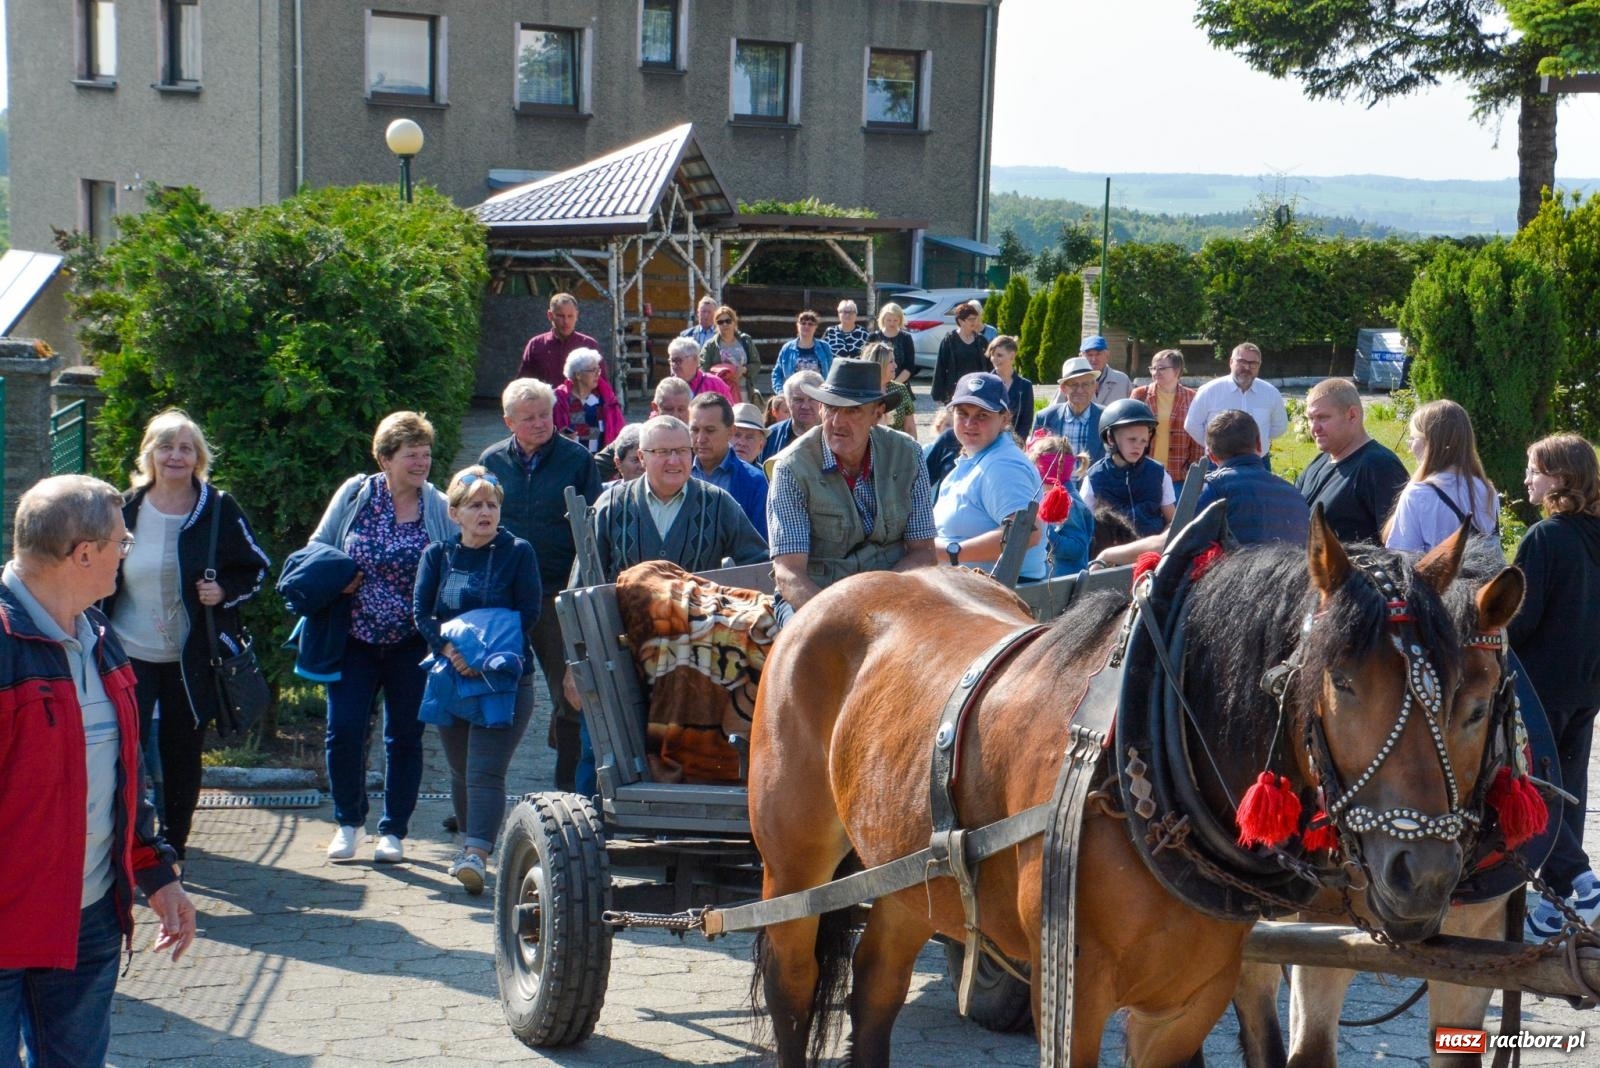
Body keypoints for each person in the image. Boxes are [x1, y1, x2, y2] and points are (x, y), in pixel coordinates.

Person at [1, 475, 197, 1067]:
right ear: (83, 553)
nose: (125, 552)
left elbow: (125, 773)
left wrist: (155, 871)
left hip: (88, 920)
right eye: (121, 541)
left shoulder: (104, 639)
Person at [103, 410, 271, 862]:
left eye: (185, 447)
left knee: (181, 754)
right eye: (165, 446)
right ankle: (127, 843)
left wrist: (224, 591)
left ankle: (172, 849)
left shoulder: (217, 508)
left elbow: (256, 567)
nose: (175, 456)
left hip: (191, 657)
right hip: (127, 653)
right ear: (150, 453)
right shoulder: (125, 507)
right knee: (122, 751)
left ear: (198, 457)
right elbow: (99, 569)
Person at [310, 412, 457, 864]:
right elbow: (318, 547)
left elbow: (455, 561)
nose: (422, 463)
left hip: (412, 642)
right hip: (354, 637)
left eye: (426, 454)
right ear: (384, 458)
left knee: (405, 737)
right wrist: (339, 577)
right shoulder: (356, 495)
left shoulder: (435, 503)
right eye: (411, 455)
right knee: (345, 731)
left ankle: (393, 830)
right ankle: (349, 822)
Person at [412, 467, 542, 894]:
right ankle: (471, 844)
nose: (485, 513)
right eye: (475, 505)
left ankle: (476, 853)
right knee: (459, 769)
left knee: (485, 771)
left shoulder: (518, 551)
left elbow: (529, 613)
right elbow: (422, 613)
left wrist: (483, 659)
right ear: (454, 513)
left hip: (503, 681)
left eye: (492, 505)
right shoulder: (438, 555)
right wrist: (450, 651)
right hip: (451, 677)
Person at [479, 379, 601, 792]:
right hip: (503, 596)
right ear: (509, 421)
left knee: (571, 694)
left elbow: (592, 534)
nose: (538, 424)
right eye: (528, 418)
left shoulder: (576, 461)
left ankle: (569, 794)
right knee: (486, 695)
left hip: (557, 594)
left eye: (545, 415)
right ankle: (476, 796)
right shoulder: (490, 462)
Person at [767, 360, 937, 625]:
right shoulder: (791, 467)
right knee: (810, 656)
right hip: (816, 598)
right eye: (831, 408)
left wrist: (879, 600)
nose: (838, 422)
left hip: (890, 594)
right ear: (820, 408)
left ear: (877, 413)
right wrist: (842, 622)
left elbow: (924, 552)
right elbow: (789, 573)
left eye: (853, 411)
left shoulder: (908, 454)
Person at [1512, 435, 1600, 937]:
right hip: (1587, 685)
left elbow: (1520, 620)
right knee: (1568, 788)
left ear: (1562, 479)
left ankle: (1580, 882)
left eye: (1535, 470)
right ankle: (1561, 899)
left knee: (1534, 786)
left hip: (1541, 683)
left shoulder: (1547, 537)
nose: (1527, 479)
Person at [591, 416, 767, 582]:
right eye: (663, 452)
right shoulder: (611, 505)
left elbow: (760, 565)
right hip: (624, 615)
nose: (674, 461)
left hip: (702, 614)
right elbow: (585, 580)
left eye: (683, 451)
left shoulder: (718, 502)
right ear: (642, 457)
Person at [933, 373, 1048, 581]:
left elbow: (1027, 532)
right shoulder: (982, 457)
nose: (970, 423)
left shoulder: (1003, 465)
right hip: (970, 590)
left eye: (982, 415)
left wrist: (952, 552)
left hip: (997, 597)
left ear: (1004, 419)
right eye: (962, 413)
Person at [1295, 377, 1409, 544]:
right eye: (1311, 418)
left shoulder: (1380, 467)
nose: (1314, 428)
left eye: (1323, 418)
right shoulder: (1320, 462)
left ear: (1352, 415)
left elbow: (1399, 543)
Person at [1382, 399, 1499, 552]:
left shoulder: (1419, 494)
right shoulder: (1485, 489)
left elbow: (1403, 557)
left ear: (1431, 443)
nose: (1410, 447)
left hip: (1441, 576)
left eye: (1413, 438)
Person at [1196, 409, 1310, 546]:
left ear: (1211, 456)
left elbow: (1184, 544)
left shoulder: (1211, 489)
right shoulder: (1295, 495)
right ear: (1259, 445)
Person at [1080, 398, 1175, 537]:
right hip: (1110, 553)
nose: (1138, 446)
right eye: (1132, 439)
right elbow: (1084, 523)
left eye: (1143, 441)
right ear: (1111, 438)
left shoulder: (1158, 473)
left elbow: (1173, 520)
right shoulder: (1094, 477)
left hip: (1152, 552)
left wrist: (1159, 542)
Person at [1182, 342, 1289, 462]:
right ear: (1231, 362)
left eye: (1253, 363)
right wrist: (1215, 446)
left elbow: (1279, 427)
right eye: (1242, 362)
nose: (1247, 367)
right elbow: (1192, 425)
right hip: (1218, 463)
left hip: (1258, 463)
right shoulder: (1210, 391)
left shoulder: (1270, 393)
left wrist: (1261, 439)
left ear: (1259, 366)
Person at [690, 393, 769, 539]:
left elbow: (759, 548)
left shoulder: (756, 482)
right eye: (694, 430)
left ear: (730, 432)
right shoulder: (676, 474)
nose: (700, 439)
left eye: (710, 430)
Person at [1131, 348, 1204, 488]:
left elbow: (1197, 439)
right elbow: (1129, 431)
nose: (1155, 372)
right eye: (1153, 368)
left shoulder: (1192, 397)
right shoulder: (1140, 395)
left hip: (1178, 477)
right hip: (1144, 473)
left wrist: (1191, 470)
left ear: (1177, 371)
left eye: (1161, 368)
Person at [1028, 436, 1095, 575]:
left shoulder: (1070, 503)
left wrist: (1045, 534)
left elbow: (1078, 548)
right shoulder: (1048, 497)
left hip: (1064, 583)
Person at [517, 292, 603, 388]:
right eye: (560, 316)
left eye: (570, 316)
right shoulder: (536, 345)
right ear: (550, 315)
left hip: (580, 402)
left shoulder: (589, 345)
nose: (566, 321)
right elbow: (523, 384)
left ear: (577, 316)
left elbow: (603, 384)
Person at [552, 347, 626, 455]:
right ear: (578, 375)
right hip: (569, 462)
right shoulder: (559, 400)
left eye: (598, 370)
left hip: (600, 463)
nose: (598, 374)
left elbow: (620, 432)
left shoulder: (605, 400)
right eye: (593, 370)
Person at [1035, 356, 1105, 467]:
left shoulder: (1105, 418)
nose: (1080, 390)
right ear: (1063, 388)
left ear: (1095, 387)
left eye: (1085, 384)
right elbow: (1035, 459)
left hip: (1093, 483)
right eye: (1074, 384)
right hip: (1054, 483)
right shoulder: (1045, 418)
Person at [699, 305, 761, 404]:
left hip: (745, 391)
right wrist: (721, 374)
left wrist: (744, 369)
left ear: (734, 321)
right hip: (721, 393)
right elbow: (703, 370)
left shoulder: (745, 340)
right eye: (720, 322)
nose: (724, 324)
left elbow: (756, 364)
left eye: (728, 321)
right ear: (716, 325)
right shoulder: (710, 345)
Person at [931, 301, 988, 404]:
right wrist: (938, 395)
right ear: (961, 321)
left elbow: (989, 367)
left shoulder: (981, 340)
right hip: (955, 390)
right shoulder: (949, 340)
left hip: (977, 389)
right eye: (971, 319)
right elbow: (940, 367)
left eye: (976, 318)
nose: (975, 322)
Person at [760, 371, 824, 462]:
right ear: (787, 402)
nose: (805, 406)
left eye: (812, 399)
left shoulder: (835, 436)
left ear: (822, 401)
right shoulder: (771, 436)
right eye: (798, 400)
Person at [770, 310, 834, 396]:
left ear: (816, 327)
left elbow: (831, 372)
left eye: (810, 324)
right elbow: (777, 373)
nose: (806, 326)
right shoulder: (787, 349)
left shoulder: (824, 347)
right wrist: (781, 393)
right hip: (795, 395)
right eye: (803, 323)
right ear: (797, 325)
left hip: (819, 395)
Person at [987, 334, 1034, 439]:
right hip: (988, 442)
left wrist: (1017, 443)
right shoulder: (985, 382)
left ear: (1012, 356)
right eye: (992, 355)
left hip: (1014, 444)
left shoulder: (1025, 386)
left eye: (999, 355)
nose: (994, 359)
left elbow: (1026, 420)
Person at [865, 340, 917, 435]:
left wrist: (912, 449)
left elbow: (910, 429)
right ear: (880, 364)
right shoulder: (861, 390)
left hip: (897, 446)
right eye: (891, 362)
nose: (896, 366)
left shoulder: (900, 389)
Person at [668, 336, 734, 403]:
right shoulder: (667, 387)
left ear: (695, 360)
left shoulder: (715, 384)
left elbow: (730, 411)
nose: (674, 365)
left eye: (678, 360)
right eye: (672, 360)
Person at [869, 302, 918, 387]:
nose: (892, 323)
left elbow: (910, 366)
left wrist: (894, 384)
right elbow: (868, 363)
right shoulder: (873, 337)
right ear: (883, 319)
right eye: (889, 320)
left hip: (900, 384)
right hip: (876, 386)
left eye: (895, 320)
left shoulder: (906, 338)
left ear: (900, 320)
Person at [1080, 335, 1132, 405]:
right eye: (1089, 355)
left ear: (1107, 355)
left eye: (1098, 354)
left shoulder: (1123, 380)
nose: (1094, 359)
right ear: (1081, 357)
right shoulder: (1072, 381)